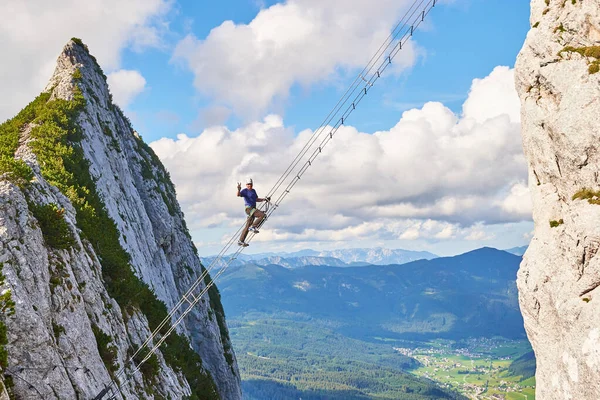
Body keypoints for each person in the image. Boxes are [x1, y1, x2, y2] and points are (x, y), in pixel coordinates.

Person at [237, 178, 269, 247]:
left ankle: (241, 241)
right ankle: (253, 226)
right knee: (262, 215)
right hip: (249, 208)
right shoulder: (244, 191)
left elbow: (256, 199)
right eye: (248, 184)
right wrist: (239, 189)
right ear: (246, 185)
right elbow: (238, 194)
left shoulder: (253, 191)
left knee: (247, 226)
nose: (249, 185)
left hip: (253, 209)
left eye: (250, 184)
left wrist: (264, 199)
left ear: (252, 184)